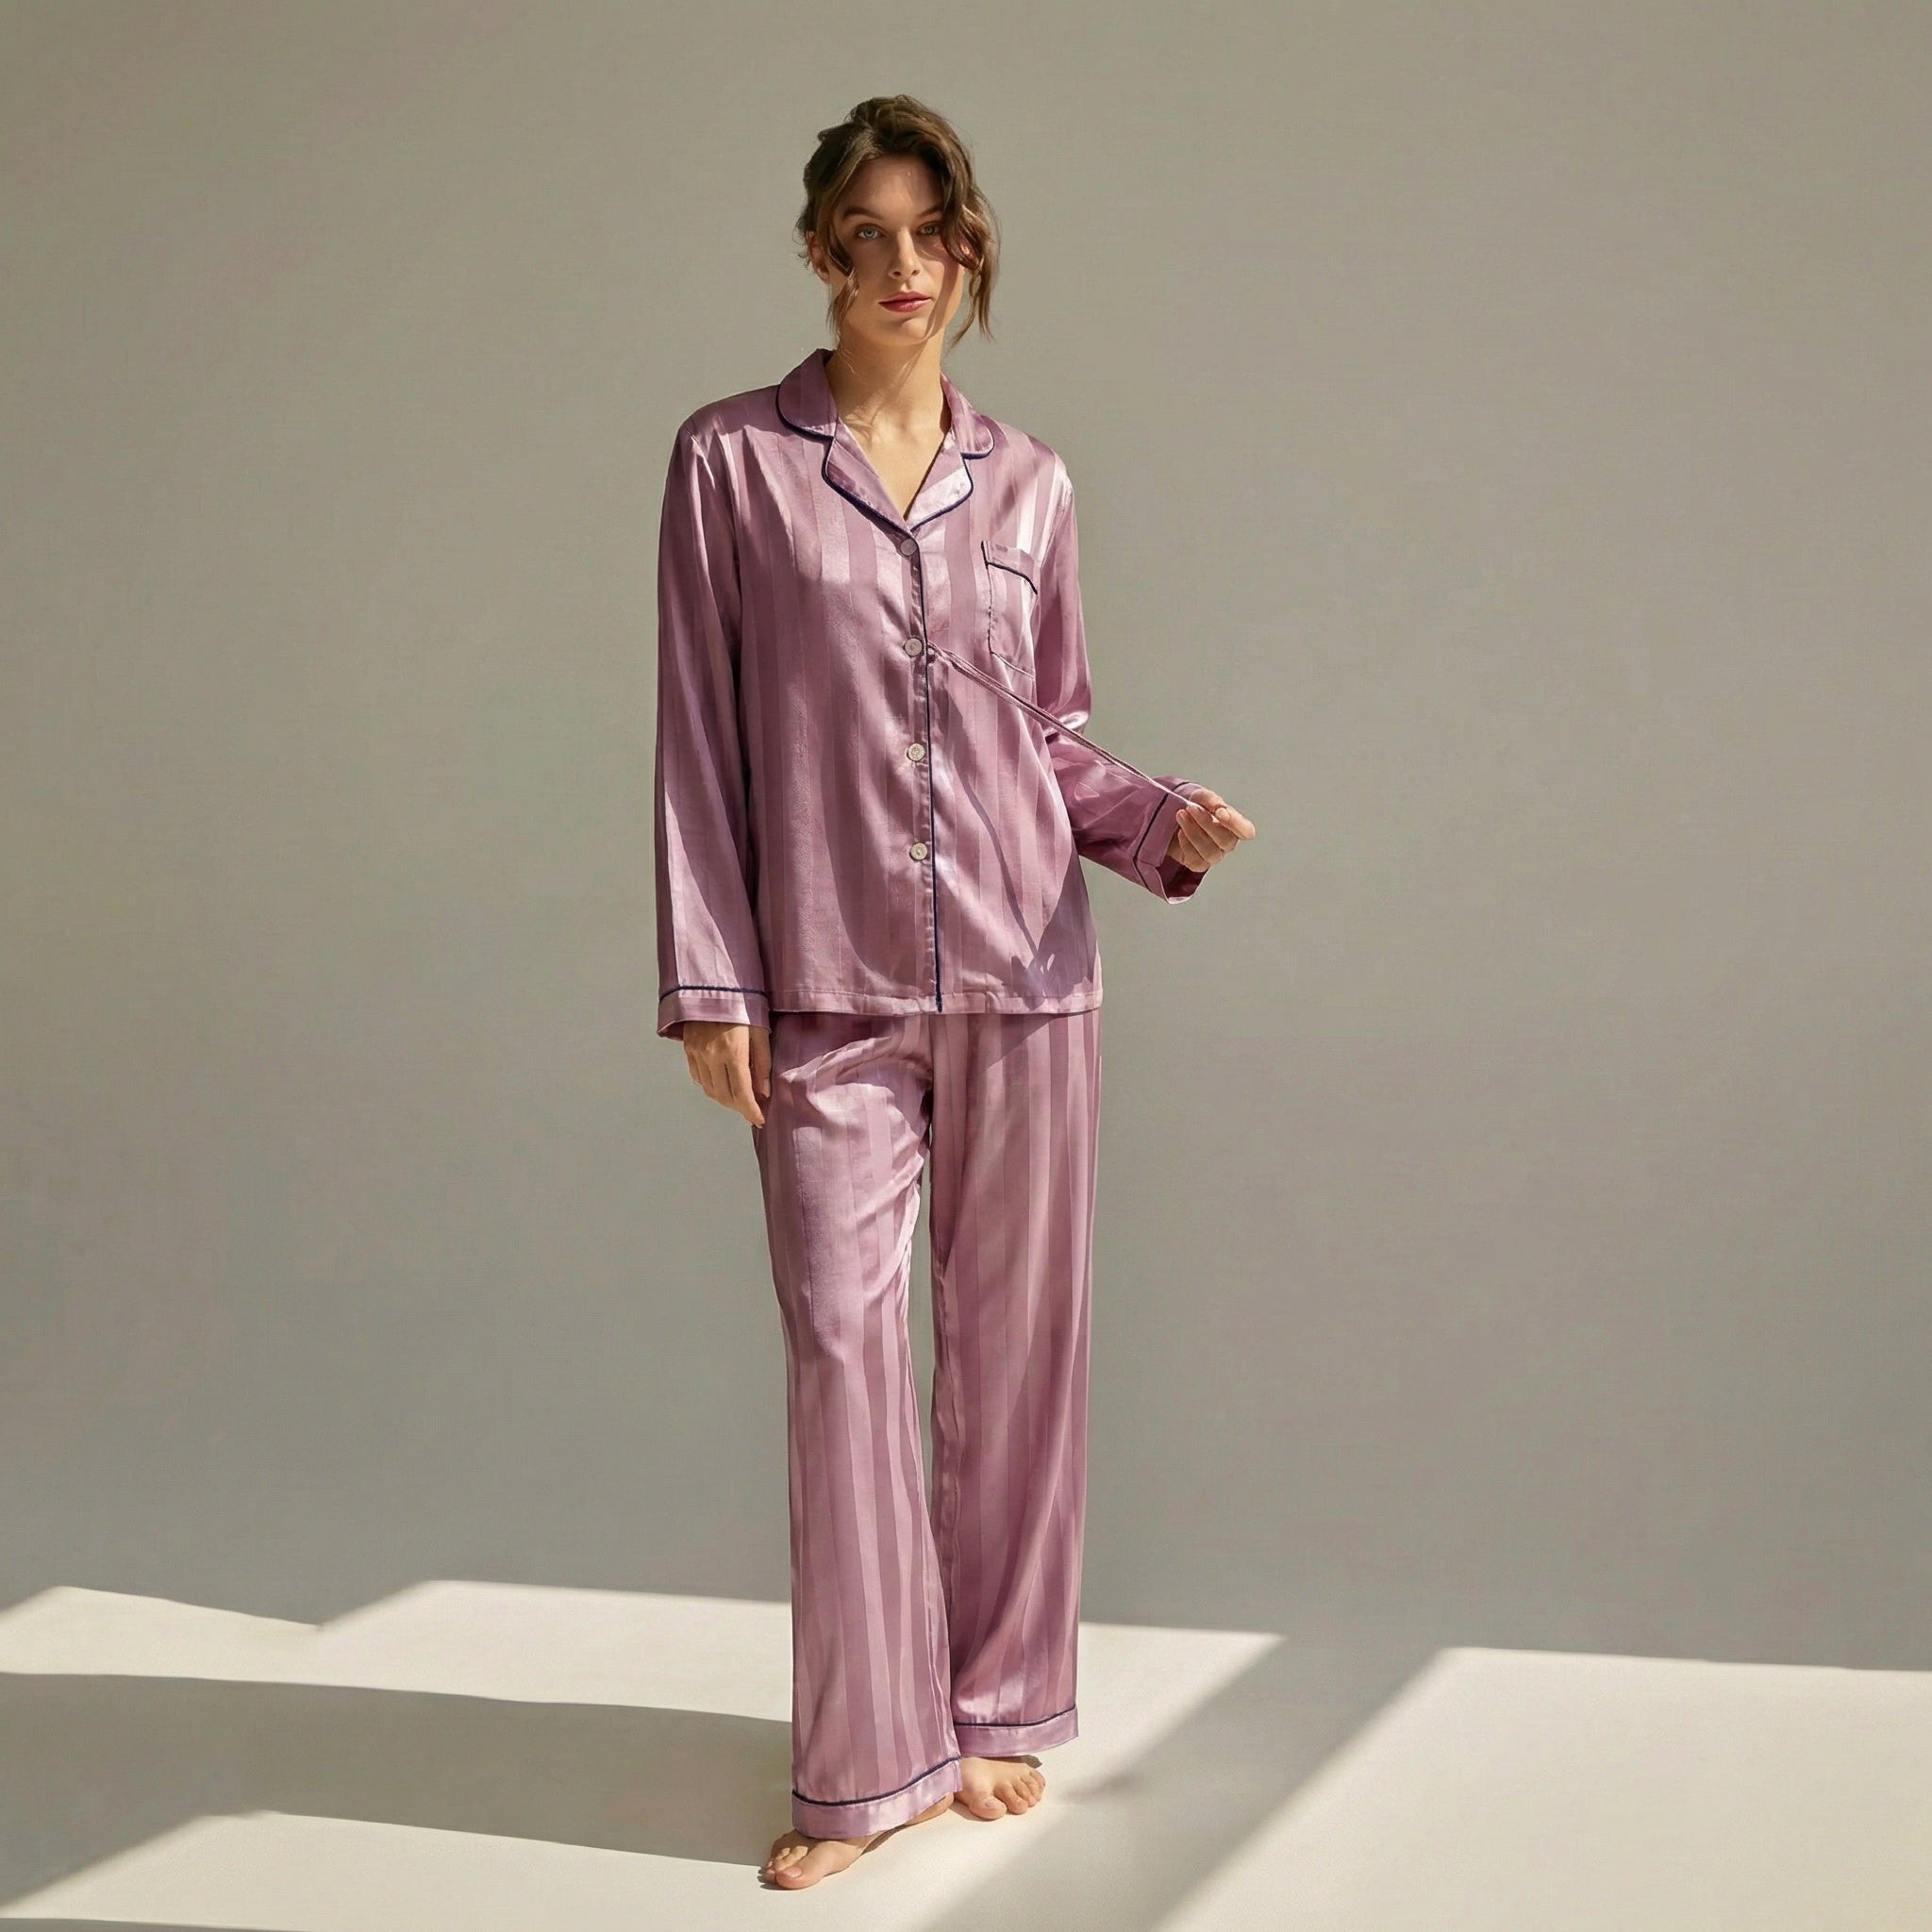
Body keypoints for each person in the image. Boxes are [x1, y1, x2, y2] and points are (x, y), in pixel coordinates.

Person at [652, 93, 1254, 1890]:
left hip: (1024, 968)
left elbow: (1044, 733)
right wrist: (712, 978)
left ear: (968, 252)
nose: (903, 266)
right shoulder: (732, 464)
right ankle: (863, 1767)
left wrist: (1158, 822)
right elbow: (698, 735)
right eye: (869, 235)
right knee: (845, 1356)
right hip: (824, 981)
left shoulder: (1032, 483)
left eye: (933, 234)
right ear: (821, 252)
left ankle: (994, 1709)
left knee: (1016, 1358)